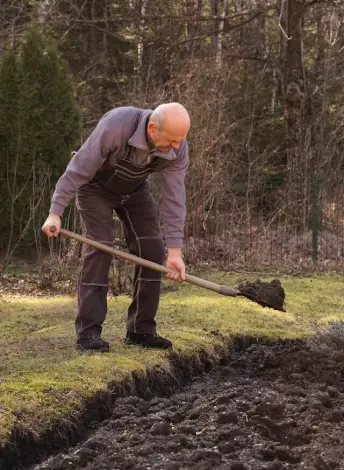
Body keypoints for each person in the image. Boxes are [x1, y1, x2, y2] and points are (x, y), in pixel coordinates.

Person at [41, 103, 191, 352]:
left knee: (152, 250)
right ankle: (88, 333)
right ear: (153, 128)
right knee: (100, 248)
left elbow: (174, 199)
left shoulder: (178, 148)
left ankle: (141, 330)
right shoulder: (117, 125)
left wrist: (174, 252)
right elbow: (78, 169)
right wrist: (55, 212)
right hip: (94, 187)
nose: (177, 147)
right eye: (173, 140)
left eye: (181, 141)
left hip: (134, 190)